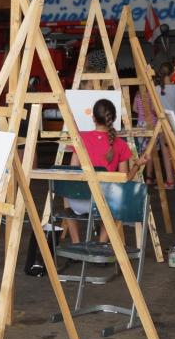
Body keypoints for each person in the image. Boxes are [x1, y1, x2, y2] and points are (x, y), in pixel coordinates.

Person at [63, 99, 147, 243]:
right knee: (114, 198)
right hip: (105, 205)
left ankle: (76, 243)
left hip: (79, 203)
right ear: (113, 119)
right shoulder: (120, 144)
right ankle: (102, 243)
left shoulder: (80, 139)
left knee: (66, 195)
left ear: (93, 118)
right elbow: (124, 179)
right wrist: (137, 165)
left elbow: (73, 172)